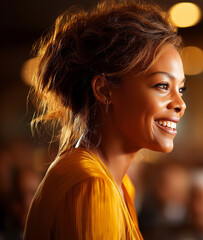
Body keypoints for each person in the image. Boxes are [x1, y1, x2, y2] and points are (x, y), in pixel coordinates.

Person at [24, 0, 185, 239]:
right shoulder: (91, 186)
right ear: (104, 90)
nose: (180, 104)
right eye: (162, 85)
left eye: (181, 89)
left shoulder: (115, 183)